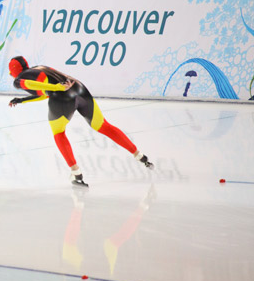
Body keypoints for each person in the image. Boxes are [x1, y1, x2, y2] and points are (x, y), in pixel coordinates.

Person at [8, 56, 153, 187]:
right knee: (103, 125)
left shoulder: (18, 80)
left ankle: (76, 172)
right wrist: (22, 100)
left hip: (61, 97)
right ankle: (139, 155)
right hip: (79, 88)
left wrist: (56, 88)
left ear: (13, 72)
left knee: (58, 132)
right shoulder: (39, 68)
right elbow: (45, 92)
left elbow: (28, 84)